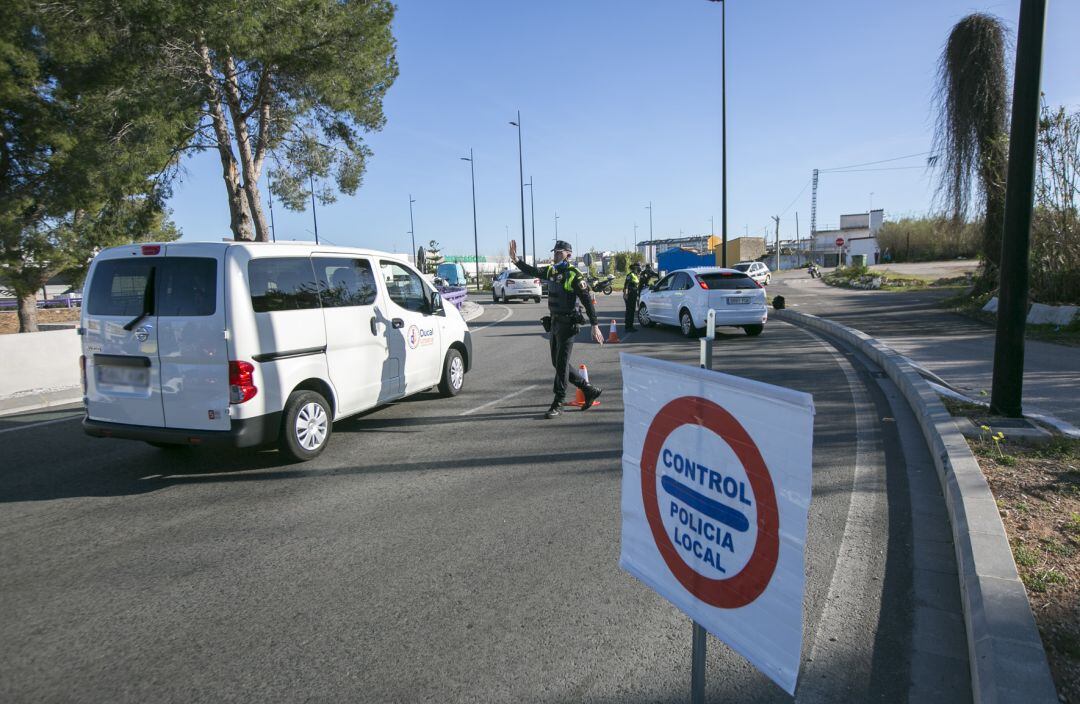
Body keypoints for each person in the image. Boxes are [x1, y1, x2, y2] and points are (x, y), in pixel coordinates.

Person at [510, 238, 604, 419]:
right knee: (556, 362)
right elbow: (533, 271)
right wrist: (516, 260)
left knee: (561, 365)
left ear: (568, 254)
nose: (555, 255)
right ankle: (588, 389)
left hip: (568, 325)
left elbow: (586, 300)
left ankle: (558, 402)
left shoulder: (574, 274)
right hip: (554, 323)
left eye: (559, 253)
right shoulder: (552, 271)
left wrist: (595, 325)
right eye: (554, 252)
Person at [623, 261, 643, 332]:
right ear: (635, 268)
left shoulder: (635, 275)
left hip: (633, 295)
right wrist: (625, 295)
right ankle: (628, 327)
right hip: (629, 295)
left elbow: (636, 286)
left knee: (632, 311)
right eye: (638, 267)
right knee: (629, 311)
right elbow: (626, 285)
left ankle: (630, 326)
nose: (639, 269)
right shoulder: (630, 275)